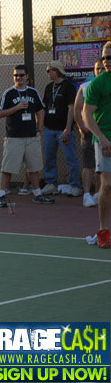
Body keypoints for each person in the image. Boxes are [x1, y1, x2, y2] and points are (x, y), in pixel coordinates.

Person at [0, 65, 54, 208]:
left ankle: (37, 194)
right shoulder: (9, 93)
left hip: (31, 137)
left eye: (21, 75)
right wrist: (17, 107)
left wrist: (39, 129)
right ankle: (2, 195)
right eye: (16, 76)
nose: (18, 78)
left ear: (27, 77)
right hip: (14, 137)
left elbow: (40, 111)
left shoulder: (33, 92)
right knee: (8, 168)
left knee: (34, 168)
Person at [82, 42, 111, 248]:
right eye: (105, 58)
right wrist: (101, 138)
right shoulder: (97, 83)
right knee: (107, 185)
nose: (107, 61)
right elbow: (86, 114)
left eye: (110, 57)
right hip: (105, 139)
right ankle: (103, 231)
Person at [41, 61, 82, 197]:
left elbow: (71, 108)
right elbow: (44, 107)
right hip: (49, 129)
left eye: (49, 70)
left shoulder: (68, 87)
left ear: (56, 71)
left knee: (70, 158)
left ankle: (75, 185)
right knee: (49, 157)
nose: (47, 73)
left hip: (63, 130)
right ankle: (51, 183)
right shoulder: (49, 87)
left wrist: (68, 128)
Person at [74, 58, 104, 208]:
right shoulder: (85, 87)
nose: (100, 71)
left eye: (102, 68)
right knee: (89, 164)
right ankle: (86, 194)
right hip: (89, 133)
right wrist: (81, 127)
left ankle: (99, 194)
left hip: (105, 133)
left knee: (102, 167)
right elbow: (77, 110)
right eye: (97, 68)